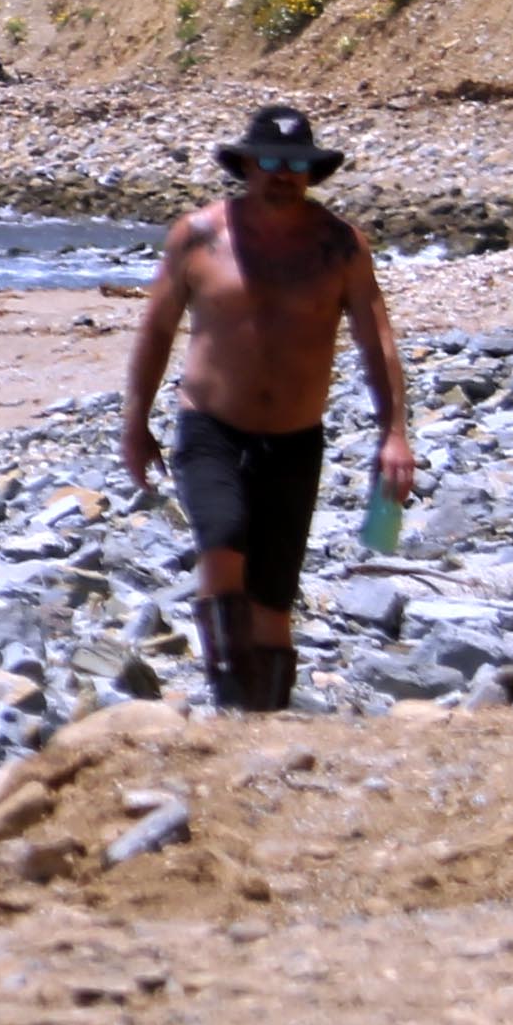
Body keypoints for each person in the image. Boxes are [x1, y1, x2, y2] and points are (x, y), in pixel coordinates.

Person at [118, 104, 417, 712]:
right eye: (273, 162)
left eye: (298, 165)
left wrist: (395, 433)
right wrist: (136, 424)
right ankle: (229, 699)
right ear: (248, 164)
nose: (284, 174)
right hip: (211, 428)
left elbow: (376, 340)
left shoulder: (340, 246)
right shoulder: (198, 235)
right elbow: (156, 331)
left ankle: (270, 713)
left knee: (275, 601)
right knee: (224, 540)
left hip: (295, 439)